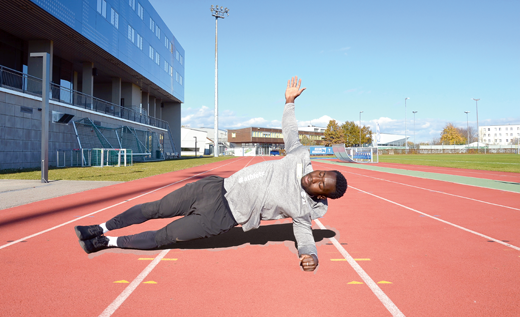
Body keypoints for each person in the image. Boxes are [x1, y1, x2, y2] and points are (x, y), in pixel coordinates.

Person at [75, 76, 348, 271]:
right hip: (213, 187)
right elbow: (290, 131)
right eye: (322, 173)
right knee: (154, 208)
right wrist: (289, 103)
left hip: (222, 217)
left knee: (166, 236)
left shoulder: (303, 209)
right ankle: (99, 227)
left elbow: (303, 234)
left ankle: (106, 242)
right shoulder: (300, 158)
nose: (316, 178)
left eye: (321, 184)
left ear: (321, 196)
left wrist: (308, 254)